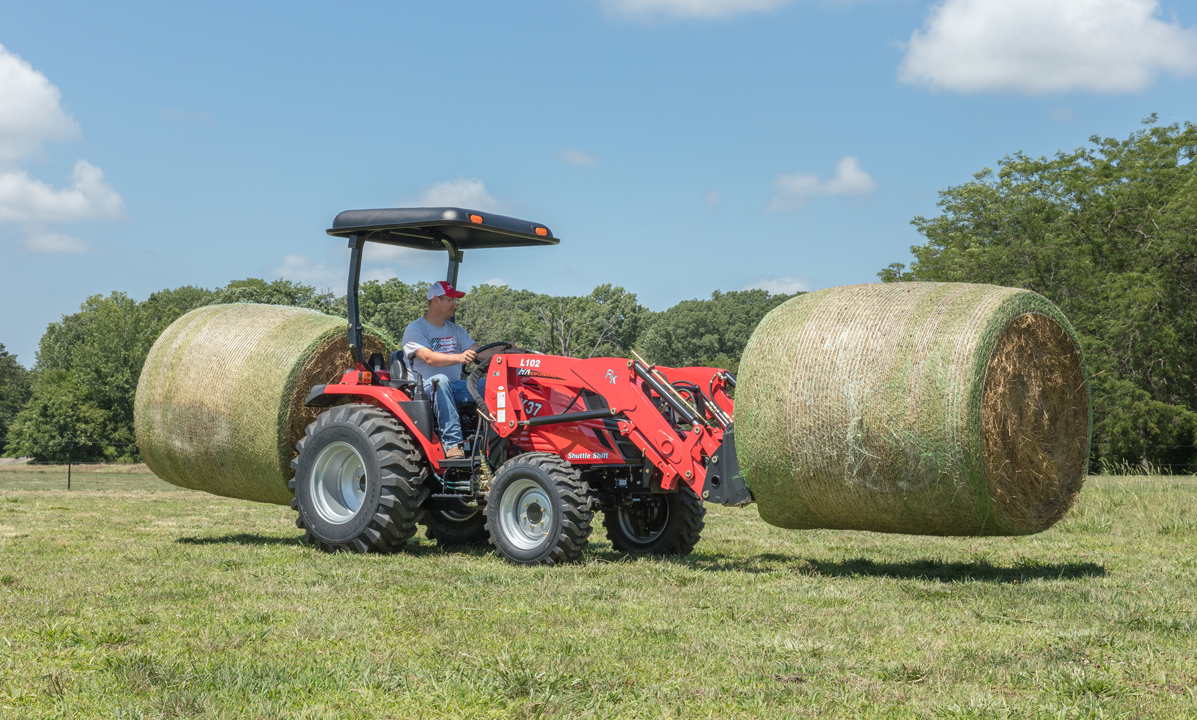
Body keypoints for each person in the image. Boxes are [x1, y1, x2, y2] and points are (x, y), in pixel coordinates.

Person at [402, 281, 485, 459]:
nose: (455, 305)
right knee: (440, 380)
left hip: (455, 386)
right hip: (423, 389)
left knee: (494, 383)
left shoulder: (456, 330)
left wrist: (506, 352)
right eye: (451, 300)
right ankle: (452, 443)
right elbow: (429, 357)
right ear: (435, 300)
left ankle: (499, 437)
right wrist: (459, 357)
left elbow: (480, 351)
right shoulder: (415, 329)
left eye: (456, 301)